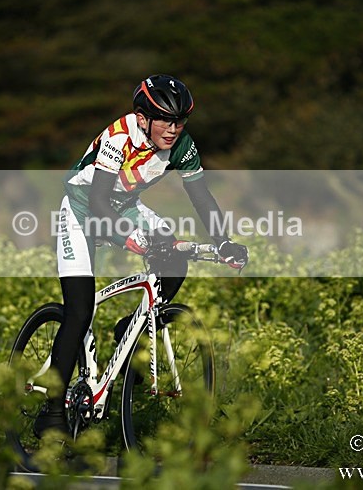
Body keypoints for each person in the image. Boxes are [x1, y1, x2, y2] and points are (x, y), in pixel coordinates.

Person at [34, 74, 249, 438]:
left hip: (126, 206)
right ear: (143, 117)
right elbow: (100, 203)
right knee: (79, 310)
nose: (173, 128)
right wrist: (129, 238)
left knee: (174, 254)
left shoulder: (182, 145)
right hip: (84, 211)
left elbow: (201, 197)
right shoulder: (120, 135)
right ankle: (53, 410)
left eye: (180, 121)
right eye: (165, 119)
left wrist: (223, 242)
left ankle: (129, 331)